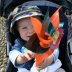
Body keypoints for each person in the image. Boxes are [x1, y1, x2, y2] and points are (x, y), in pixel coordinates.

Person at [9, 5, 64, 72]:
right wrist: (20, 58)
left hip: (49, 68)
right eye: (24, 28)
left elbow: (54, 49)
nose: (31, 31)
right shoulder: (19, 42)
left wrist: (48, 60)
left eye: (35, 25)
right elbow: (12, 53)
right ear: (17, 30)